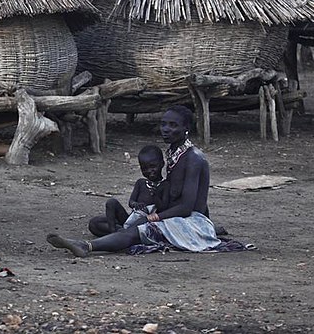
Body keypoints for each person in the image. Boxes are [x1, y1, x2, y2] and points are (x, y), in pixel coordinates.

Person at [47, 105, 220, 257]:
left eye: (173, 125)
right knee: (97, 224)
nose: (165, 129)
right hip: (174, 216)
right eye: (163, 124)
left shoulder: (194, 159)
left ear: (186, 128)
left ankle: (86, 246)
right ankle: (123, 236)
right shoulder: (175, 153)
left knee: (136, 230)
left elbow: (186, 207)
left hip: (192, 223)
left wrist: (152, 217)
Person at [88, 145, 167, 237]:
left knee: (138, 230)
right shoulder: (141, 183)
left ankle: (122, 234)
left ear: (162, 164)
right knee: (96, 221)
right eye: (144, 168)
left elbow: (164, 209)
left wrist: (156, 195)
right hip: (131, 219)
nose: (149, 171)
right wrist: (135, 204)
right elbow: (131, 202)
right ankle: (115, 234)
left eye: (153, 166)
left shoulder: (165, 185)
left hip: (147, 224)